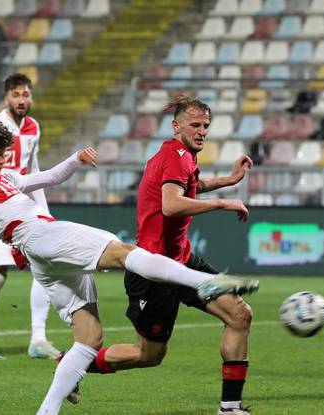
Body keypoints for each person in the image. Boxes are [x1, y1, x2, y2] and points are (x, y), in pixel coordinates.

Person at [0, 119, 259, 415]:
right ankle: (205, 281)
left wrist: (74, 160)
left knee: (89, 338)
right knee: (124, 252)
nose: (4, 157)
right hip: (41, 235)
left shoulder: (0, 176)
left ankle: (46, 411)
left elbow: (49, 177)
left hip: (39, 255)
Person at [75, 95, 255, 415]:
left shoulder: (182, 155)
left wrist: (228, 180)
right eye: (195, 125)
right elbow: (171, 204)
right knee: (149, 356)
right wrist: (224, 203)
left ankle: (230, 407)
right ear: (176, 126)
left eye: (206, 126)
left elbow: (191, 186)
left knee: (240, 315)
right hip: (152, 270)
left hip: (181, 260)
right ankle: (73, 365)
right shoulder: (175, 156)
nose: (202, 131)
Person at [0, 73, 59, 361]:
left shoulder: (34, 127)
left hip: (23, 206)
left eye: (26, 95)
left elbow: (33, 171)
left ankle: (38, 339)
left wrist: (44, 210)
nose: (22, 100)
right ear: (7, 98)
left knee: (42, 265)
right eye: (16, 95)